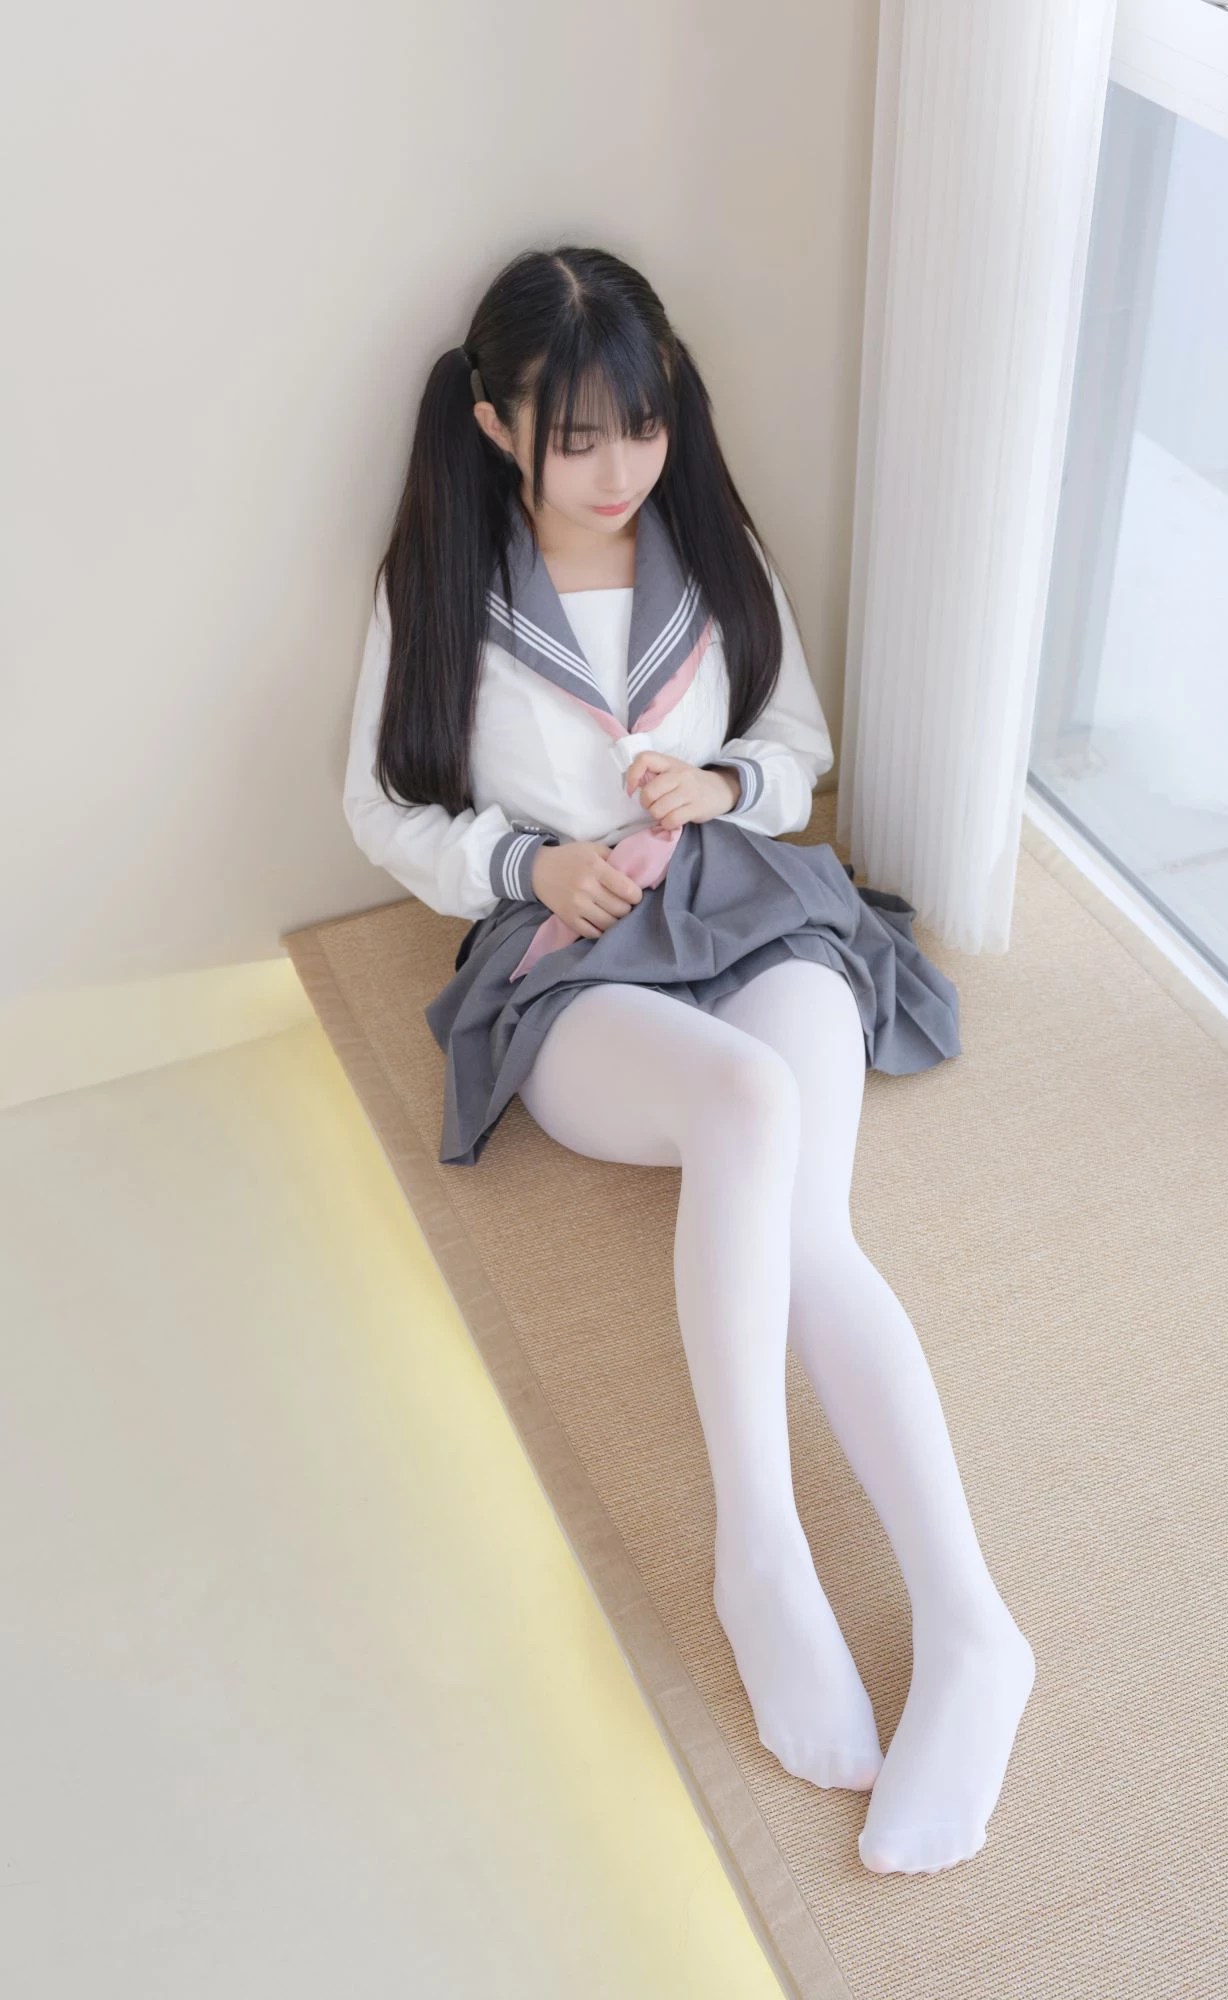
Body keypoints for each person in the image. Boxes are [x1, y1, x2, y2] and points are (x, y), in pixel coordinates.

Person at [342, 244, 1036, 1877]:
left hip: (752, 906)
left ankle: (973, 1627)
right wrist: (527, 864)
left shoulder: (708, 542)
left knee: (811, 1220)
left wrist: (724, 790)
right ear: (498, 426)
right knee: (741, 1103)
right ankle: (760, 1549)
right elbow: (380, 806)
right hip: (568, 958)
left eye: (639, 428)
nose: (617, 469)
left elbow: (795, 747)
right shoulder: (441, 583)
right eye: (576, 438)